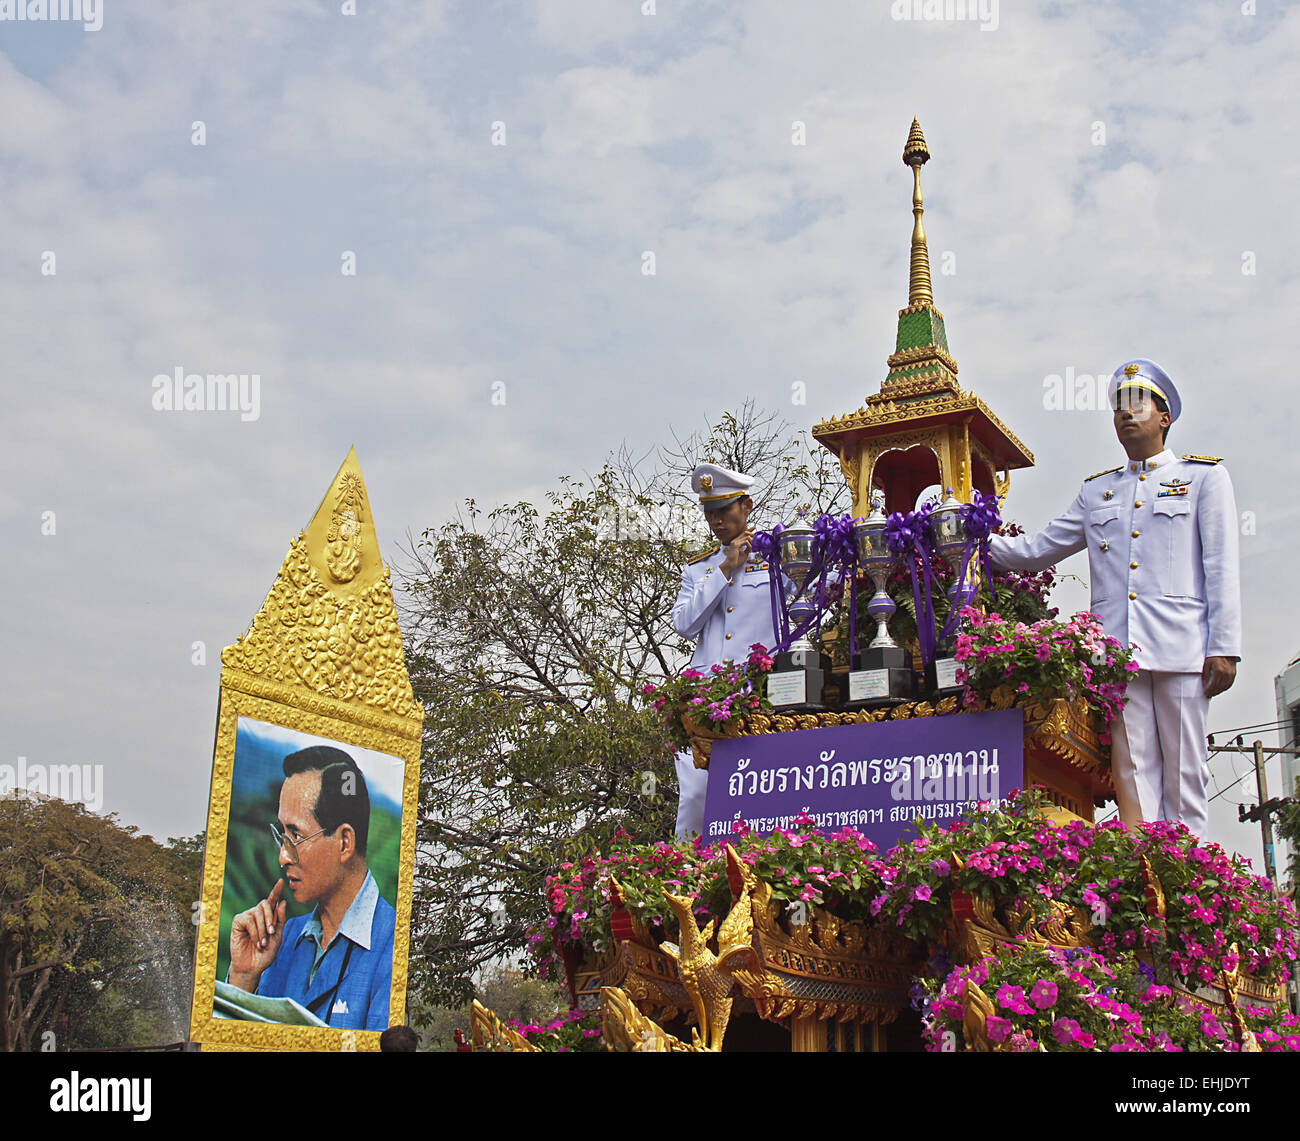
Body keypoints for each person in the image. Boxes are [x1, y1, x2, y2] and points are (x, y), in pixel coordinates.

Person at [988, 359, 1240, 836]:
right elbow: (1039, 551)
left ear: (1164, 417)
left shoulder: (1204, 478)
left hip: (1183, 648)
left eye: (1137, 404)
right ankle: (1145, 875)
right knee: (1132, 770)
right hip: (1118, 652)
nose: (1125, 415)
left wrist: (1224, 646)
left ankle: (1191, 882)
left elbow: (1221, 566)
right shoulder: (1097, 491)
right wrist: (970, 543)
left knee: (1187, 770)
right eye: (1117, 408)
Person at [227, 745, 396, 1030]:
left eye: (296, 835)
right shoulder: (284, 938)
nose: (283, 856)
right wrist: (243, 978)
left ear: (344, 842)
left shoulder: (391, 943)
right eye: (281, 834)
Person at [670, 463, 778, 838]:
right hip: (706, 700)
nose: (717, 521)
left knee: (764, 794)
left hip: (760, 698)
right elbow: (683, 624)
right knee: (697, 797)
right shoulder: (699, 569)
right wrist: (725, 570)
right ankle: (685, 880)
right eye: (710, 513)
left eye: (725, 510)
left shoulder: (777, 556)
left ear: (746, 506)